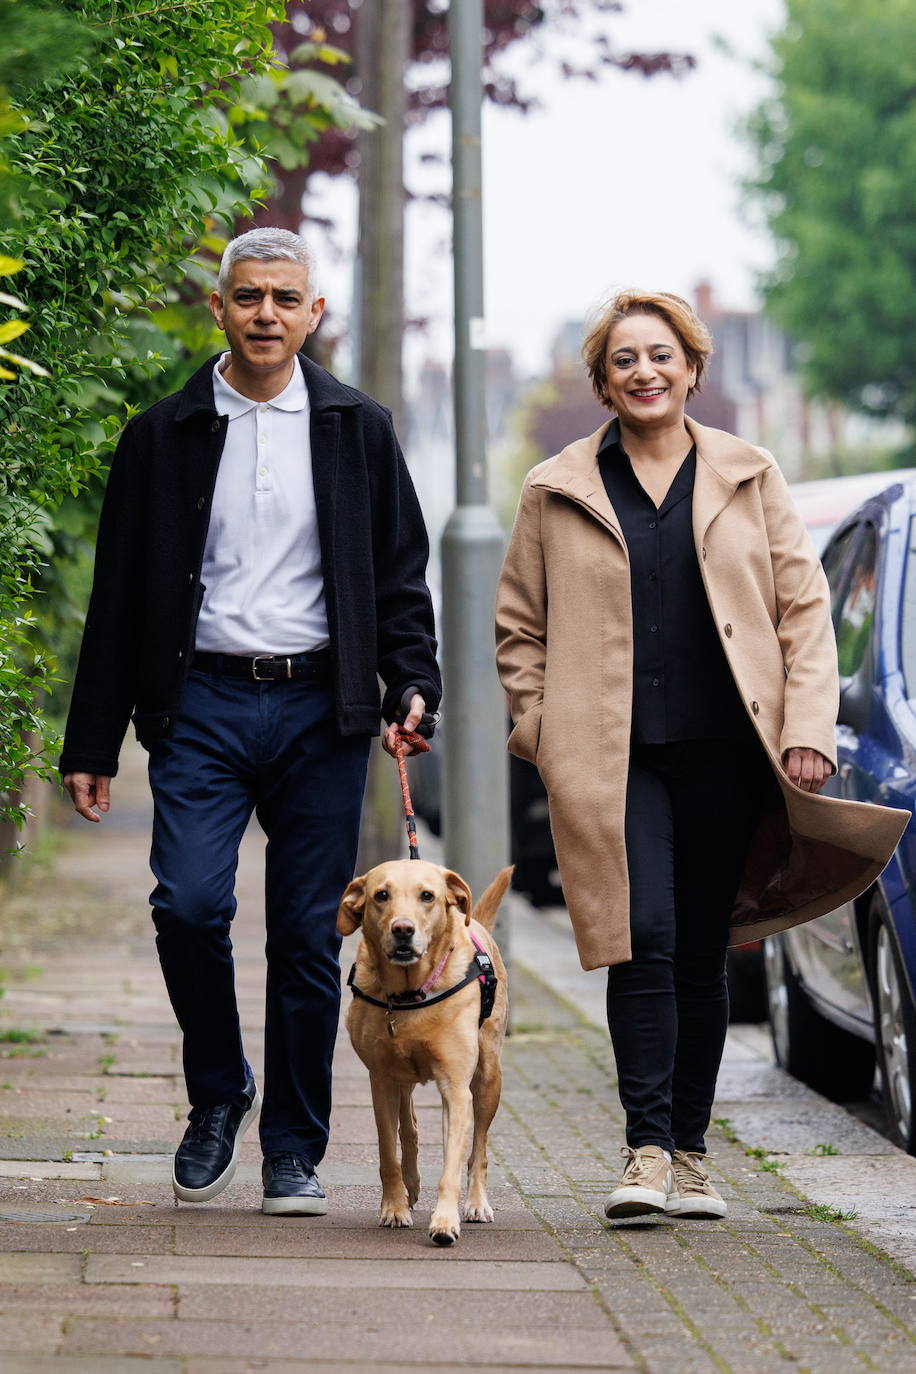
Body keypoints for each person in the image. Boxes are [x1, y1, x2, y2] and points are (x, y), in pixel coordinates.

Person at [495, 290, 906, 1222]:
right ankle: (641, 1153)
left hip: (727, 749)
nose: (644, 372)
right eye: (625, 360)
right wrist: (540, 730)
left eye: (661, 356)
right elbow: (519, 627)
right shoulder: (556, 486)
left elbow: (803, 614)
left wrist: (805, 729)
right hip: (612, 756)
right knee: (640, 937)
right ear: (604, 380)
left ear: (692, 369)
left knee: (703, 952)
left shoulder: (748, 473)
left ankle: (690, 1154)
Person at [60, 228, 441, 1216]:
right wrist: (92, 741)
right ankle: (219, 1092)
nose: (266, 313)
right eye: (247, 296)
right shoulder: (163, 434)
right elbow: (119, 597)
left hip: (323, 708)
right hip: (202, 705)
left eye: (285, 298)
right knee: (188, 904)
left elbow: (398, 576)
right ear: (218, 309)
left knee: (310, 936)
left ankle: (293, 1150)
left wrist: (413, 684)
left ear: (315, 314)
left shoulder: (360, 427)